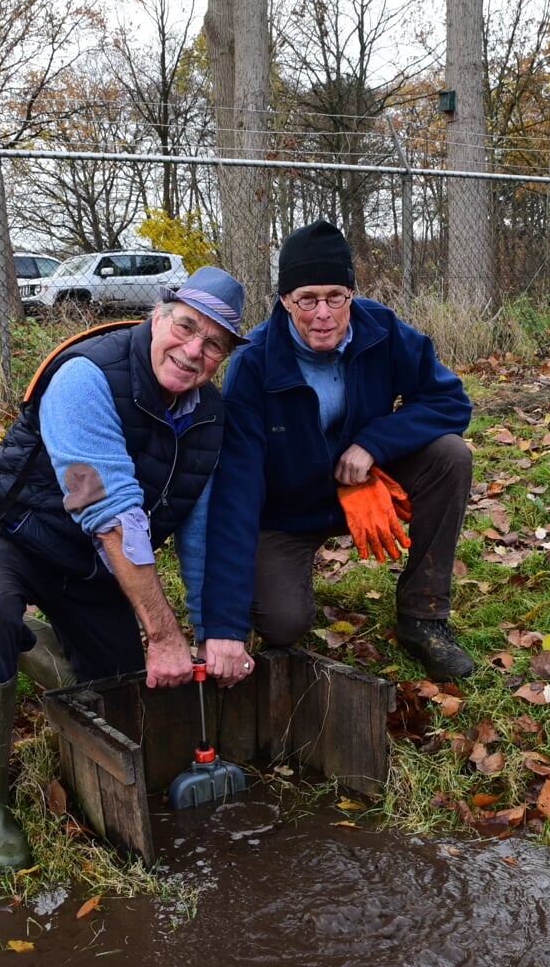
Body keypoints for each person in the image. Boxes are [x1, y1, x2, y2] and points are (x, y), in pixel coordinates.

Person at [0, 267, 249, 867]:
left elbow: (198, 530)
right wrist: (163, 634)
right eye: (186, 328)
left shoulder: (209, 414)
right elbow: (109, 514)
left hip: (94, 569)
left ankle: (31, 646)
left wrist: (213, 627)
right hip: (14, 534)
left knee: (114, 690)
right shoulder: (85, 378)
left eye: (214, 344)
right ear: (157, 316)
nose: (194, 352)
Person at [199, 220, 476, 687]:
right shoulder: (253, 364)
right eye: (307, 298)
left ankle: (423, 616)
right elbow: (237, 489)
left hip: (366, 479)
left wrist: (372, 445)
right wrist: (223, 626)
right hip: (286, 512)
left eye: (335, 296)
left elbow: (450, 401)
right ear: (285, 300)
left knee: (451, 456)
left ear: (351, 292)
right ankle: (288, 579)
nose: (323, 313)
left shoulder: (381, 328)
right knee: (283, 625)